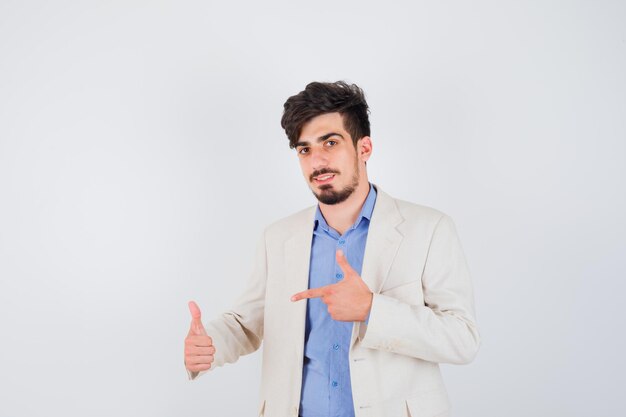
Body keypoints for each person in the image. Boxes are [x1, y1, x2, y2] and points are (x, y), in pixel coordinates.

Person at [184, 81, 480, 417]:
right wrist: (210, 345)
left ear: (364, 148)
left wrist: (371, 309)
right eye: (305, 149)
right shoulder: (278, 237)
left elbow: (462, 338)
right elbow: (246, 324)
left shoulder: (429, 228)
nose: (317, 161)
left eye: (331, 143)